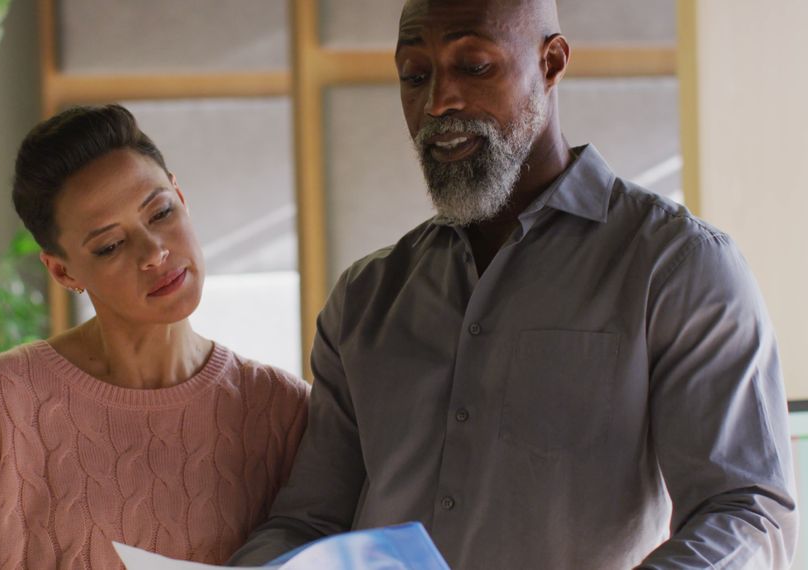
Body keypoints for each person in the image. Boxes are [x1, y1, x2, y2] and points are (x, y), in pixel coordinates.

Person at [230, 0, 797, 568]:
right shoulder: (364, 299)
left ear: (551, 62)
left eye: (473, 66)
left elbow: (747, 511)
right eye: (414, 76)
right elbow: (310, 524)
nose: (438, 102)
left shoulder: (677, 267)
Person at [0, 104, 310, 568]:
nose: (154, 252)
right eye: (110, 245)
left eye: (160, 212)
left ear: (180, 194)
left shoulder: (284, 409)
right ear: (61, 270)